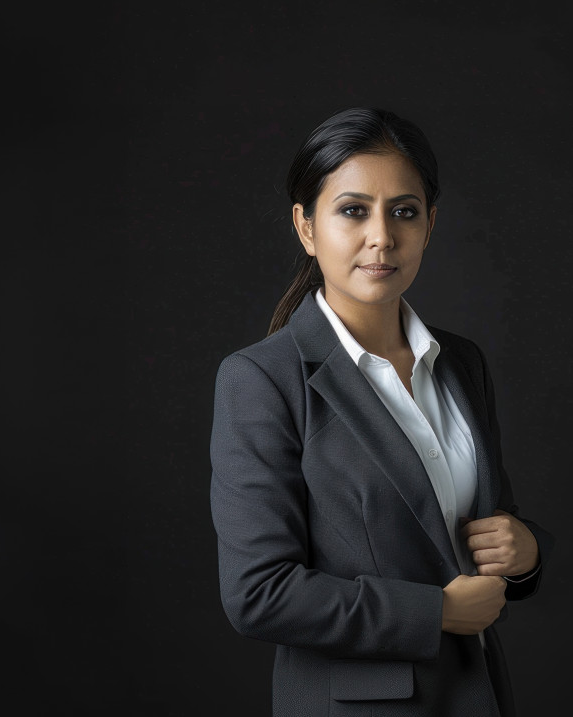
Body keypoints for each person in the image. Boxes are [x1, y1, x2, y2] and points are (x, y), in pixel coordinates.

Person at [209, 106, 554, 716]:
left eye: (404, 211)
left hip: (477, 697)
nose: (382, 236)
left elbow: (481, 527)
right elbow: (258, 593)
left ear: (430, 224)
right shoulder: (262, 379)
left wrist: (524, 553)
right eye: (352, 210)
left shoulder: (460, 363)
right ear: (306, 227)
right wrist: (437, 612)